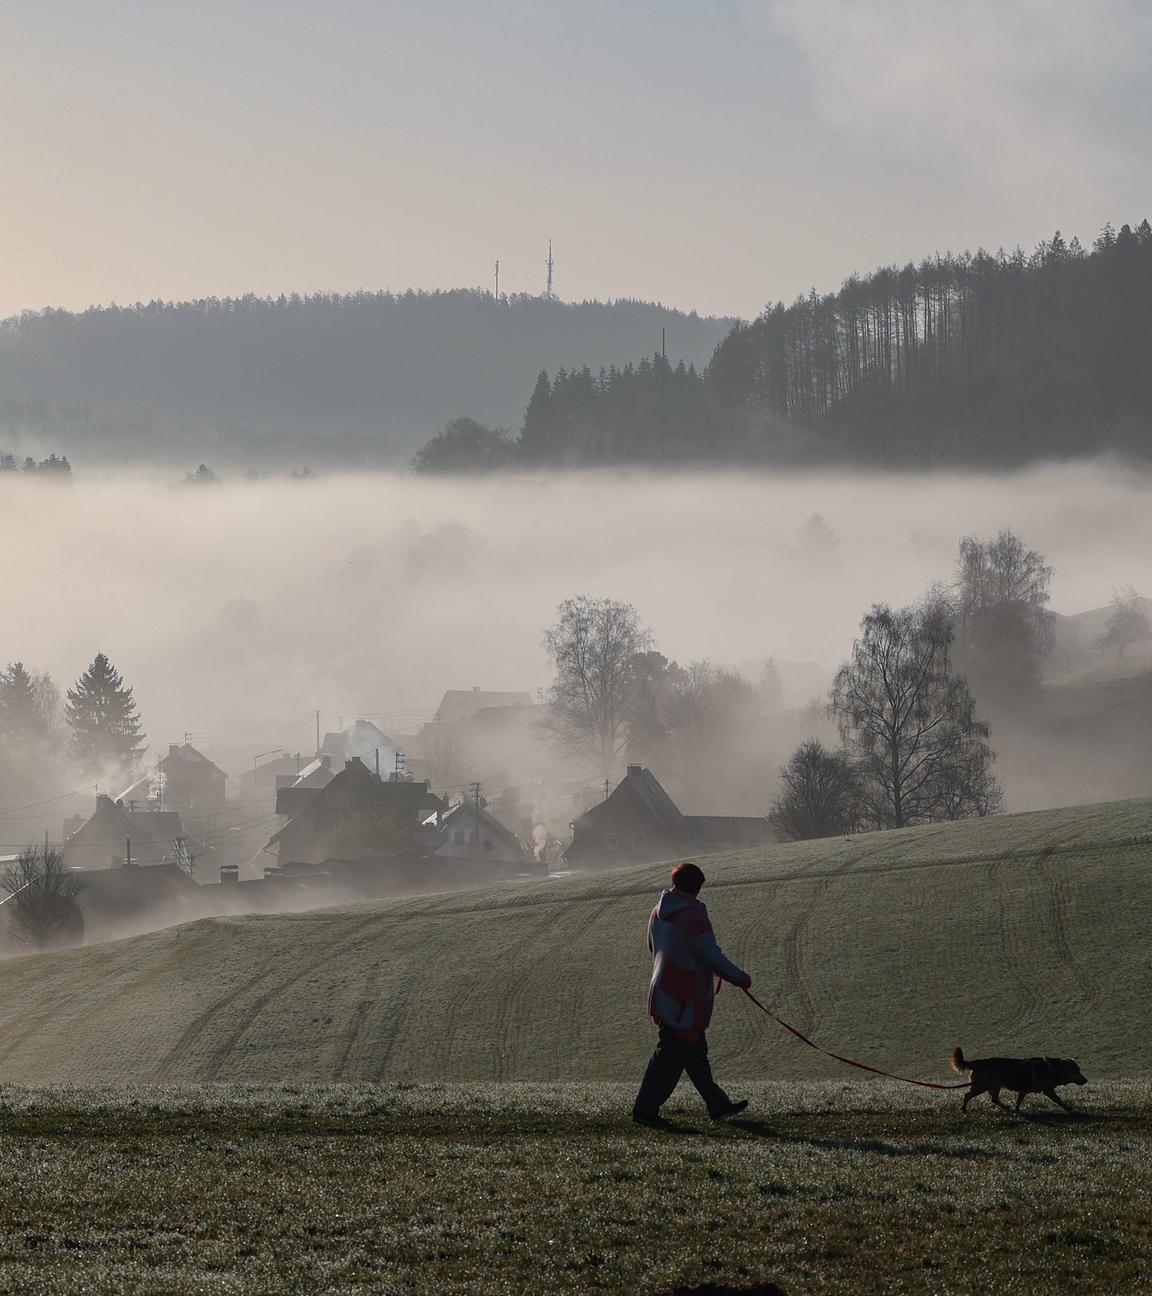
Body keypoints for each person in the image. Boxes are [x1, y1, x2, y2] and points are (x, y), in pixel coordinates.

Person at [632, 861, 752, 1127]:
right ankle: (645, 1109)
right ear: (697, 887)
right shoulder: (693, 919)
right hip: (685, 996)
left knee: (694, 1052)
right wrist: (739, 978)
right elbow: (710, 955)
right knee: (672, 1052)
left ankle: (718, 1105)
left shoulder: (657, 912)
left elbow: (652, 946)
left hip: (663, 988)